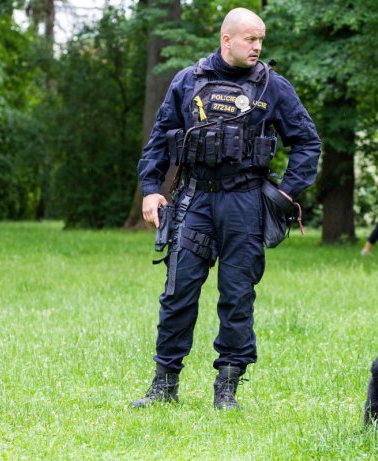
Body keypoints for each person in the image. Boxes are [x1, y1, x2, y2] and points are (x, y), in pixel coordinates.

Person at [133, 7, 321, 409]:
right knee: (178, 291)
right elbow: (157, 141)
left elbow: (307, 142)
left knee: (237, 295)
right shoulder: (188, 81)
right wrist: (151, 189)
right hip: (194, 199)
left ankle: (227, 389)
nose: (257, 46)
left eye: (261, 40)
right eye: (251, 39)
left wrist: (287, 192)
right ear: (227, 40)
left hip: (245, 203)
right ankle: (164, 386)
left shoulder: (273, 86)